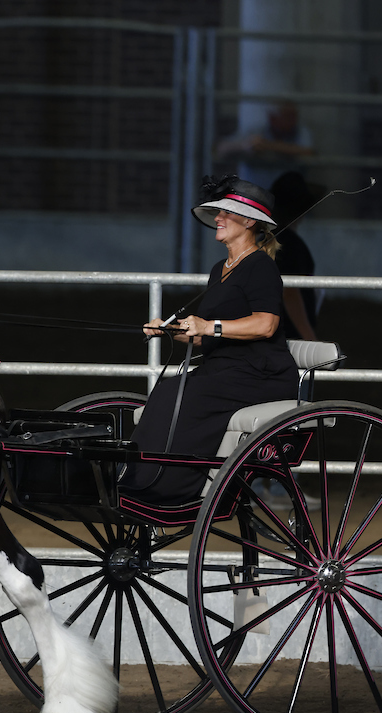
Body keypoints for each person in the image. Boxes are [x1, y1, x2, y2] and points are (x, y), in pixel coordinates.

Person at [127, 176, 299, 505]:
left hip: (261, 374)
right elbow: (207, 337)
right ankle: (141, 479)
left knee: (190, 395)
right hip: (225, 368)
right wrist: (172, 330)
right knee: (167, 390)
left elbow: (265, 324)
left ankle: (171, 488)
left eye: (225, 213)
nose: (217, 218)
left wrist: (210, 327)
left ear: (249, 221)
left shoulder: (261, 267)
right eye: (217, 212)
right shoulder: (220, 268)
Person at [269, 171, 322, 341]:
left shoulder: (266, 238)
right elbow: (289, 290)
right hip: (288, 338)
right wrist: (310, 338)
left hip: (271, 333)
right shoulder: (289, 244)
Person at [215, 102, 316, 190]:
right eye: (288, 116)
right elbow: (221, 148)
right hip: (255, 197)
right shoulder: (257, 132)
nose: (293, 120)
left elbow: (308, 152)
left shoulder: (300, 131)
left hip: (289, 198)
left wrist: (268, 145)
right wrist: (246, 145)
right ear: (272, 118)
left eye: (294, 115)